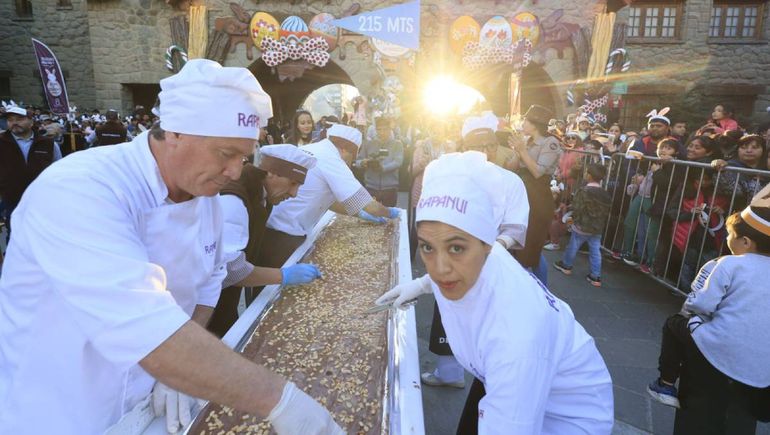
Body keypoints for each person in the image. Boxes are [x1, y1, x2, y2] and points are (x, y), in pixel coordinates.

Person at [0, 59, 342, 435]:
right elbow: (139, 324)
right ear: (175, 132)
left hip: (148, 410)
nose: (235, 171)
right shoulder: (81, 189)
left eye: (243, 157)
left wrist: (180, 371)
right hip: (63, 412)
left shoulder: (205, 200)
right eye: (225, 153)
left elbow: (210, 280)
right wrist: (280, 400)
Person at [375, 152, 613, 434]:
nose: (440, 269)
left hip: (565, 420)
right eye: (427, 247)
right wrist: (419, 285)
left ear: (487, 244)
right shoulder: (486, 257)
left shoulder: (516, 338)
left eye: (456, 248)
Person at [422, 113, 531, 389]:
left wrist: (494, 249)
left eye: (490, 146)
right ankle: (449, 373)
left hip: (494, 263)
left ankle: (491, 381)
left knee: (489, 326)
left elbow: (516, 226)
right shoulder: (449, 177)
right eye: (477, 147)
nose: (485, 152)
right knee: (449, 313)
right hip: (454, 259)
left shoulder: (511, 181)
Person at [647, 192, 770, 421]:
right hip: (761, 372)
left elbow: (701, 304)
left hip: (717, 351)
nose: (726, 239)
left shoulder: (729, 263)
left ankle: (664, 384)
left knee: (675, 324)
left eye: (730, 235)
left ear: (745, 242)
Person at [207, 144, 322, 338]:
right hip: (207, 304)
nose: (294, 194)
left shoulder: (262, 194)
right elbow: (230, 270)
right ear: (272, 174)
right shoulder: (234, 200)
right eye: (293, 183)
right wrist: (282, 276)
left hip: (223, 299)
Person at [260, 123, 399, 269]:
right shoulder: (332, 158)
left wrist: (360, 214)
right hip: (284, 235)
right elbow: (366, 203)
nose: (350, 163)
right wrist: (391, 213)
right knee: (273, 285)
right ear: (345, 150)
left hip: (271, 229)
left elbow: (326, 200)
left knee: (266, 283)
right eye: (351, 158)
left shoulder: (315, 149)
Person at [507, 105, 563, 279]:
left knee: (531, 250)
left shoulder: (550, 142)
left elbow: (538, 172)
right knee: (520, 247)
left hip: (537, 198)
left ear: (535, 124)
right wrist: (518, 151)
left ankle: (542, 294)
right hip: (521, 194)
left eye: (525, 120)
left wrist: (523, 151)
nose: (522, 123)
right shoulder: (527, 141)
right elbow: (511, 168)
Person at [0, 104, 61, 241]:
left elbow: (58, 170)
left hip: (42, 200)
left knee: (43, 236)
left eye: (19, 119)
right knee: (15, 236)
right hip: (12, 200)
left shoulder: (48, 144)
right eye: (10, 120)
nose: (14, 123)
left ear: (31, 121)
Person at [553, 163, 612, 286]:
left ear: (589, 175)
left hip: (582, 225)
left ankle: (566, 265)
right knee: (595, 250)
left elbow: (577, 209)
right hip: (597, 228)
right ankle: (596, 276)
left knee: (573, 246)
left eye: (586, 172)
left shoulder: (584, 191)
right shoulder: (605, 193)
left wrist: (570, 219)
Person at [356, 116, 404, 207]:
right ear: (375, 130)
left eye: (385, 129)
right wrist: (363, 163)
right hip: (371, 187)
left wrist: (383, 168)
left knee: (389, 217)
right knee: (370, 218)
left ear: (390, 129)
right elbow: (357, 161)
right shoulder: (368, 144)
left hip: (390, 188)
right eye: (379, 129)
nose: (382, 132)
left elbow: (398, 162)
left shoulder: (397, 144)